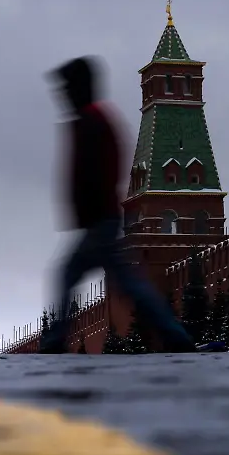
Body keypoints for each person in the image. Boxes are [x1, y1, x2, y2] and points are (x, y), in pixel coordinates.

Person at [41, 56, 196, 354]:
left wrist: (90, 208)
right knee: (129, 283)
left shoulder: (93, 121)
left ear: (79, 88)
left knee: (70, 274)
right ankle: (174, 335)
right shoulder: (92, 119)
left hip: (100, 220)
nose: (62, 95)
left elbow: (100, 170)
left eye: (66, 88)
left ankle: (55, 340)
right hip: (102, 219)